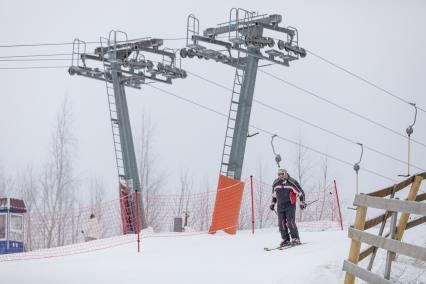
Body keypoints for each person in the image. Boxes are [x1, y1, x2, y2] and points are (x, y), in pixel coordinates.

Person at [270, 169, 306, 247]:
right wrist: (273, 203)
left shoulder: (292, 182)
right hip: (280, 206)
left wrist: (302, 202)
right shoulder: (276, 183)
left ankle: (295, 238)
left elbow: (300, 193)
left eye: (282, 174)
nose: (280, 176)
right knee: (281, 223)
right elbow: (274, 195)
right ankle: (285, 239)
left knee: (290, 222)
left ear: (285, 174)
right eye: (279, 174)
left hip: (290, 205)